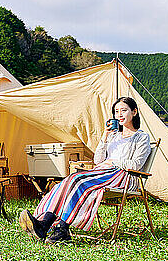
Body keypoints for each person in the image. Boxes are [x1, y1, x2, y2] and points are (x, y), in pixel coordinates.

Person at [19, 96, 151, 243]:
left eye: (124, 110)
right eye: (116, 111)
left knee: (78, 180)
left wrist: (113, 161)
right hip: (104, 172)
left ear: (134, 112)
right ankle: (45, 223)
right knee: (67, 181)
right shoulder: (114, 136)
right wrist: (105, 136)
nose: (119, 115)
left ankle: (61, 227)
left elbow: (137, 164)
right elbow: (98, 160)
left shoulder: (141, 137)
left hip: (123, 177)